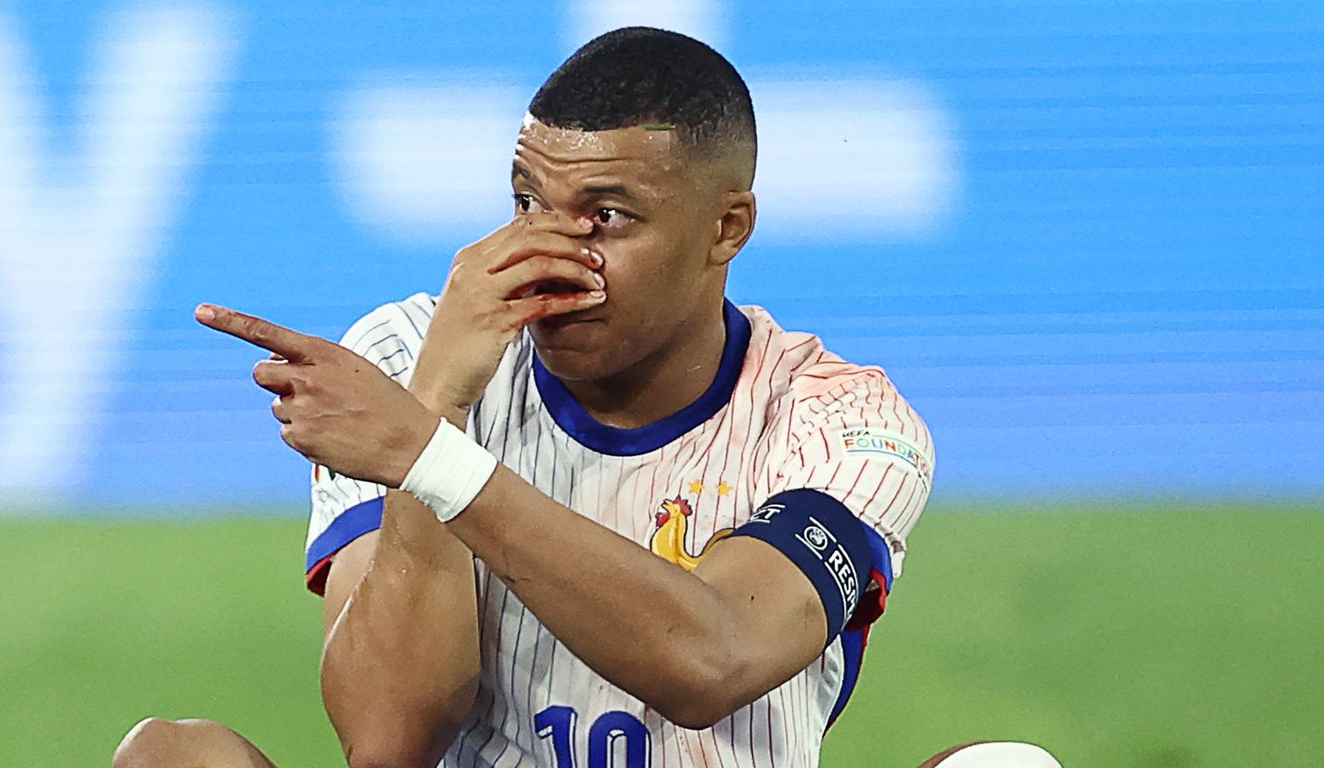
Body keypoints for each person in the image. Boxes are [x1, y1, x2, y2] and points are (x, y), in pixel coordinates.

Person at [120, 26, 952, 768]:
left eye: (608, 217)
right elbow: (389, 742)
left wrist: (430, 457)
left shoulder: (840, 422)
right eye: (528, 204)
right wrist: (438, 402)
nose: (548, 256)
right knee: (170, 757)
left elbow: (714, 659)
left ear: (726, 228)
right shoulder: (409, 358)